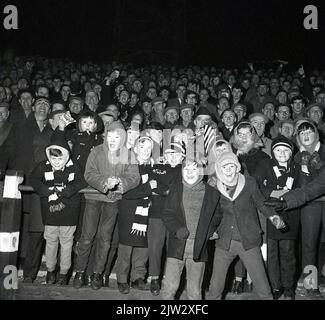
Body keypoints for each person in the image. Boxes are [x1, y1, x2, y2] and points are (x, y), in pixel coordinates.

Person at [206, 152, 285, 300]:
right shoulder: (214, 186)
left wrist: (274, 216)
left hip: (248, 240)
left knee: (262, 286)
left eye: (232, 166)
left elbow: (261, 203)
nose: (228, 170)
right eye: (224, 167)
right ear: (218, 169)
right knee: (215, 287)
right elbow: (210, 212)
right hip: (224, 241)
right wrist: (210, 230)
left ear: (237, 167)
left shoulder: (249, 183)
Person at [73, 120, 140, 290]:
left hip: (113, 200)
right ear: (105, 136)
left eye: (117, 136)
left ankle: (97, 273)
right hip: (93, 198)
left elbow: (134, 178)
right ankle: (79, 272)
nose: (113, 139)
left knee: (105, 238)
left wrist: (119, 182)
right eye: (110, 135)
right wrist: (104, 182)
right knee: (87, 236)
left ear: (122, 138)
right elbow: (89, 174)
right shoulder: (96, 151)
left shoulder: (128, 155)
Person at [29, 133, 86, 285]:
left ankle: (63, 273)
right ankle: (50, 270)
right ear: (48, 156)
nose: (56, 162)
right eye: (53, 158)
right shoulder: (44, 166)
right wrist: (46, 191)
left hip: (69, 211)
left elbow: (83, 181)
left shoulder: (74, 166)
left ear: (67, 156)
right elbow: (33, 179)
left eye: (60, 158)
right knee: (51, 240)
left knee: (67, 242)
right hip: (50, 211)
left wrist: (68, 190)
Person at [161, 160, 221, 300]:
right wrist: (177, 229)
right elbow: (167, 213)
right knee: (170, 287)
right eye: (186, 169)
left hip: (199, 247)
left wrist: (209, 231)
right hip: (178, 244)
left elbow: (217, 215)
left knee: (194, 291)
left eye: (194, 170)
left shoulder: (211, 193)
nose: (189, 173)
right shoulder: (175, 188)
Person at [254, 136, 300, 300]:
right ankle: (275, 286)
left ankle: (288, 287)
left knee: (288, 252)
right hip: (271, 213)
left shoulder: (296, 167)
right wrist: (273, 192)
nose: (282, 153)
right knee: (272, 252)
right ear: (272, 152)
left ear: (291, 152)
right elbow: (255, 184)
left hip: (290, 213)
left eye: (286, 150)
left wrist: (288, 195)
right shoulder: (265, 165)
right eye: (278, 150)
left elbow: (302, 188)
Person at [115, 136, 156, 294]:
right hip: (129, 209)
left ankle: (137, 277)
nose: (145, 151)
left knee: (143, 244)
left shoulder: (152, 165)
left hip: (146, 209)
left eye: (148, 148)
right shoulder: (127, 165)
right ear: (135, 149)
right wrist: (148, 188)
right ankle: (122, 278)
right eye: (142, 147)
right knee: (126, 244)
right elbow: (125, 191)